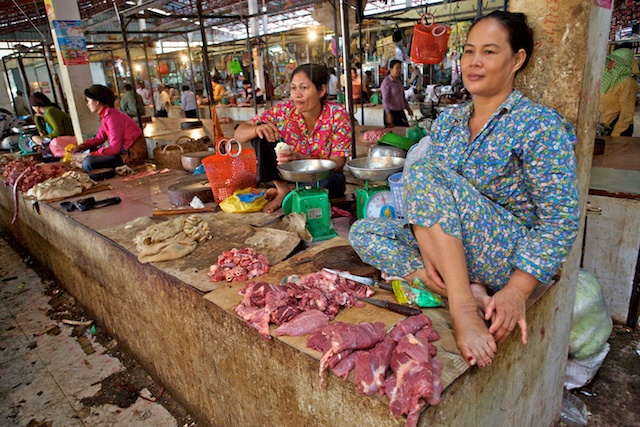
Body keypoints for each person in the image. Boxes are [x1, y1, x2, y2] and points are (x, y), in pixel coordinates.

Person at [349, 11, 580, 368]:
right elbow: (429, 203)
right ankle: (460, 286)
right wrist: (428, 249)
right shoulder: (450, 122)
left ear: (517, 59)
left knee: (424, 172)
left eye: (489, 52)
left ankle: (463, 308)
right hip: (451, 249)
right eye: (469, 51)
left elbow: (560, 220)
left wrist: (518, 290)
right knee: (364, 232)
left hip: (506, 254)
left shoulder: (538, 125)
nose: (474, 62)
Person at [234, 63, 352, 213]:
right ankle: (283, 190)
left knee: (334, 181)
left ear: (321, 90)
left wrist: (301, 159)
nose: (297, 94)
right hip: (286, 176)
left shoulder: (338, 115)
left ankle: (292, 191)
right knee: (261, 133)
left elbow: (338, 163)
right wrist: (257, 129)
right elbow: (239, 134)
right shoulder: (283, 111)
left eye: (304, 88)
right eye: (293, 88)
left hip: (320, 177)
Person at [71, 84, 147, 171]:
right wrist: (81, 147)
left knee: (89, 162)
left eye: (88, 101)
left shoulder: (112, 117)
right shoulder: (107, 116)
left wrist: (87, 155)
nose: (88, 104)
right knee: (88, 153)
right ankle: (83, 163)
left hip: (130, 154)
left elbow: (115, 149)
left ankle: (80, 165)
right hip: (122, 151)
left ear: (97, 101)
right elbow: (99, 138)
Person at [598, 48, 638, 137]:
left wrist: (616, 134)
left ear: (623, 65)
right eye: (610, 61)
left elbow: (627, 112)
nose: (610, 64)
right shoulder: (608, 79)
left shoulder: (628, 83)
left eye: (614, 61)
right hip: (602, 126)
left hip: (615, 129)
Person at [381, 59, 413, 127]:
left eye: (400, 68)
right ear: (391, 69)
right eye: (397, 68)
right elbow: (385, 100)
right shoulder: (386, 82)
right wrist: (388, 114)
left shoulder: (399, 81)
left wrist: (408, 109)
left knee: (405, 131)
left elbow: (403, 97)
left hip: (400, 111)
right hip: (391, 112)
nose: (399, 70)